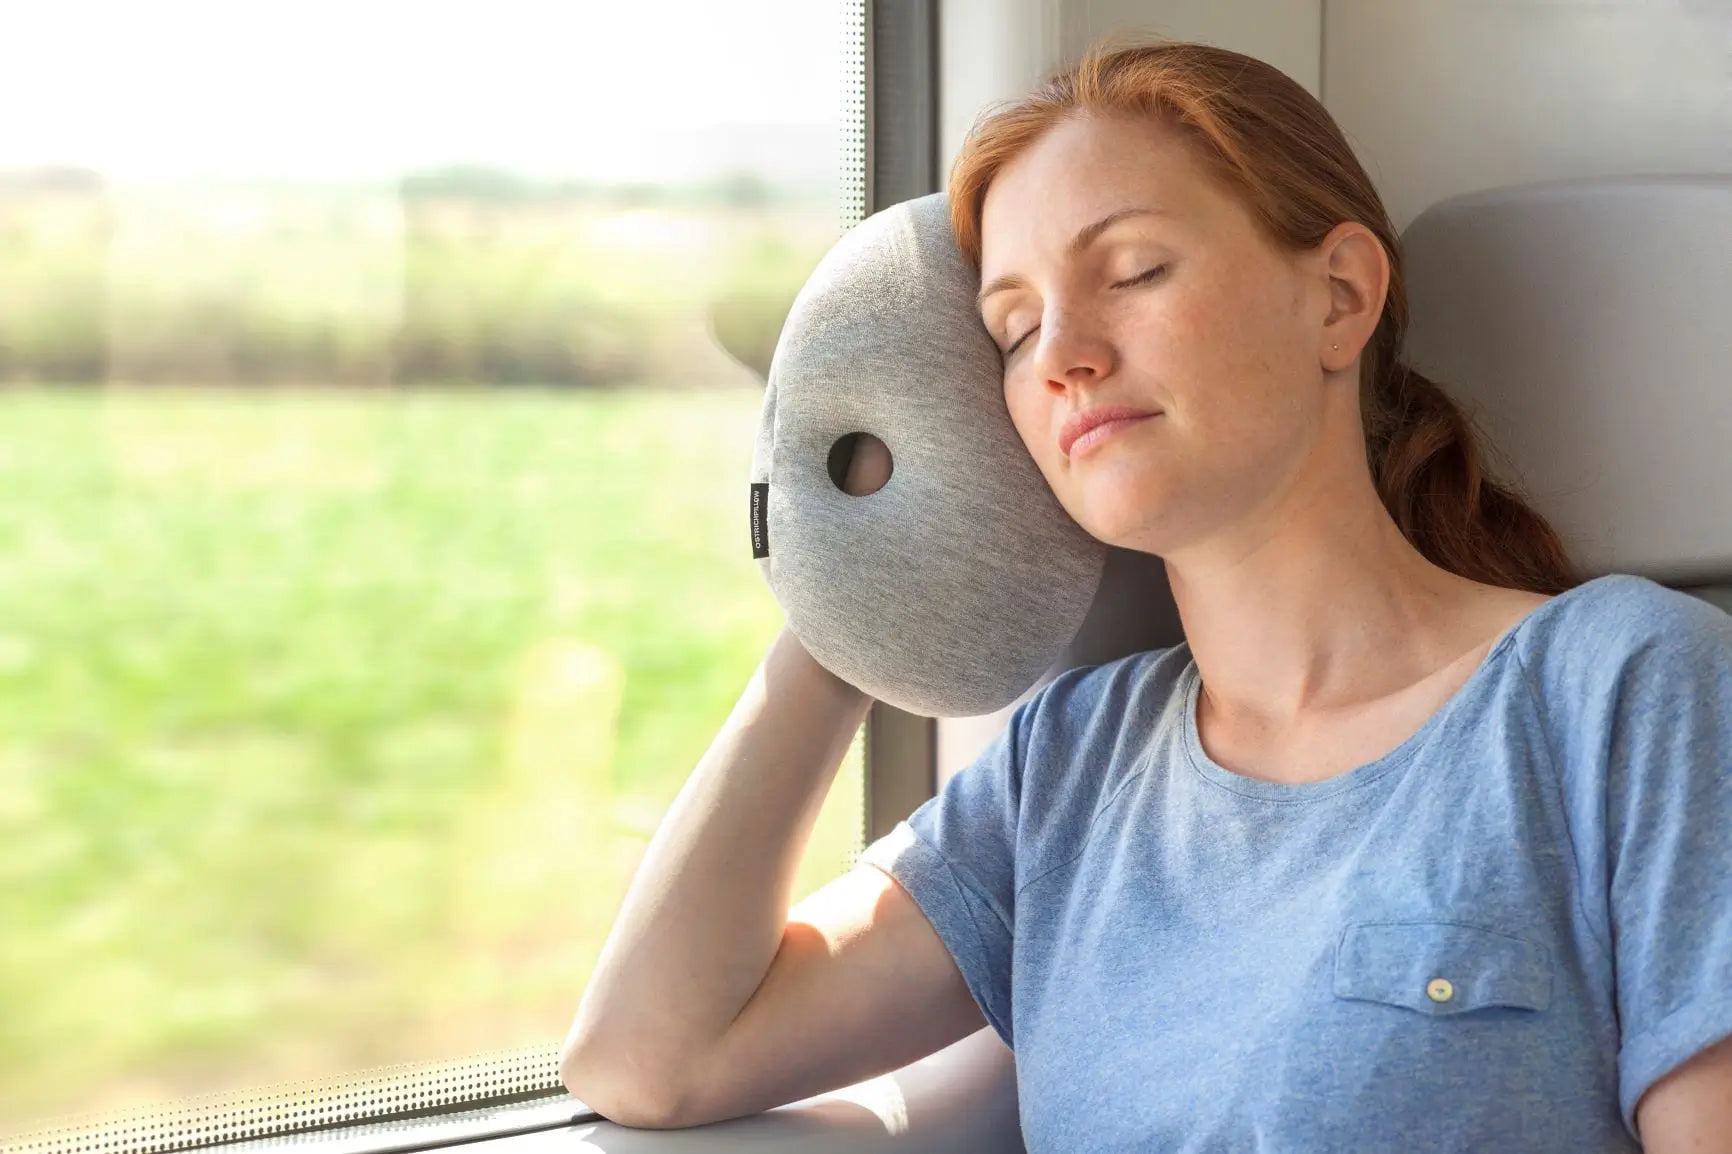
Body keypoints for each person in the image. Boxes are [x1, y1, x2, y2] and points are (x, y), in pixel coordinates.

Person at [558, 38, 1732, 1151]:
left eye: (1132, 272)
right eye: (1012, 330)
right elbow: (650, 1055)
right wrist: (858, 565)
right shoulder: (1067, 768)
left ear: (1337, 297)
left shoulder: (1626, 690)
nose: (1063, 353)